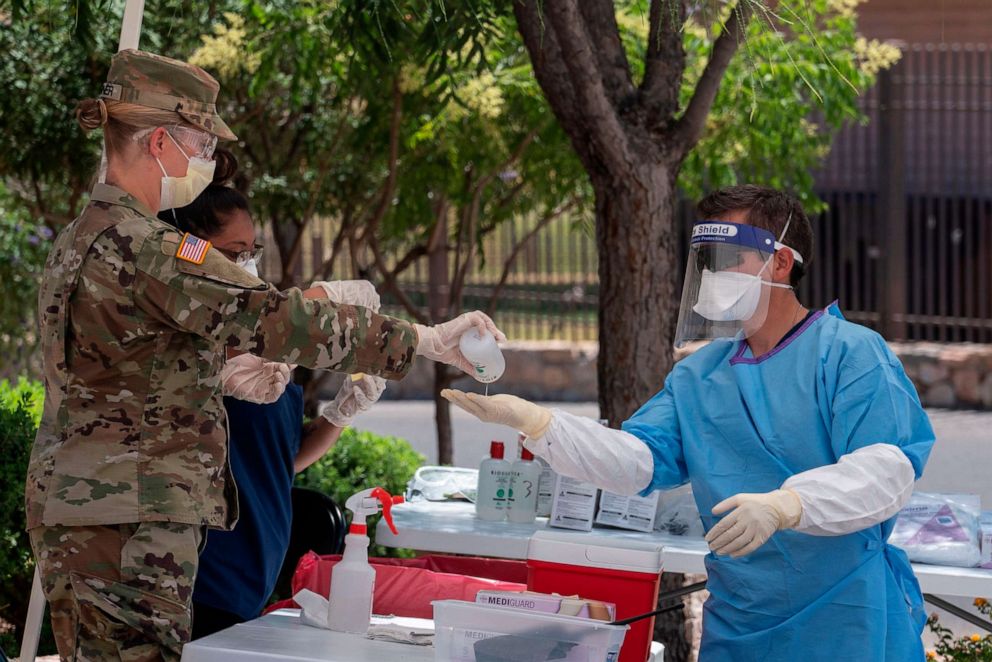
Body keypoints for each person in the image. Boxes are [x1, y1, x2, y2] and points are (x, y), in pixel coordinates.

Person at [27, 48, 503, 661]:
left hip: (84, 504)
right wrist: (423, 340)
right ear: (160, 142)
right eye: (201, 143)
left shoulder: (81, 236)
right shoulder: (149, 247)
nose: (206, 158)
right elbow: (269, 318)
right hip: (131, 515)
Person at [444, 185, 935, 661]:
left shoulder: (851, 353)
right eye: (707, 260)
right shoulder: (701, 374)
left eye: (729, 259)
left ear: (781, 262)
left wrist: (790, 505)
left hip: (844, 622)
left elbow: (888, 469)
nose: (713, 274)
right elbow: (636, 462)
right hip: (740, 622)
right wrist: (538, 422)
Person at [156, 167, 385, 638]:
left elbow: (281, 462)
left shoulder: (265, 356)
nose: (249, 265)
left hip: (253, 578)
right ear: (191, 250)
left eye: (252, 251)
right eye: (235, 254)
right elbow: (251, 335)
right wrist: (317, 300)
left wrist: (343, 413)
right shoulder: (202, 347)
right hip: (202, 578)